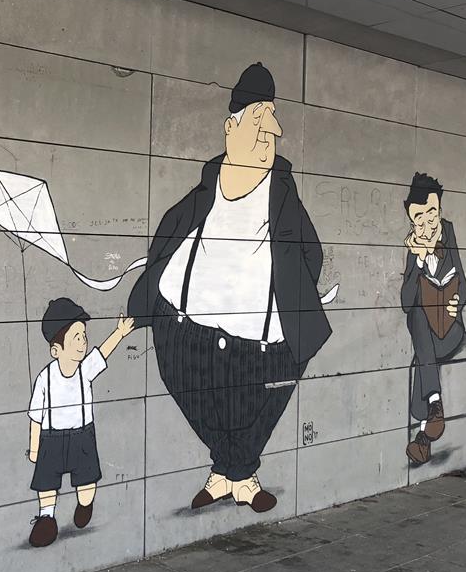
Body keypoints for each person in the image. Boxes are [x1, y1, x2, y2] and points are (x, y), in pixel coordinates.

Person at [128, 62, 331, 513]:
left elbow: (311, 254)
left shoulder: (282, 196)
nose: (268, 137)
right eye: (258, 125)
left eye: (271, 129)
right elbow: (168, 237)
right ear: (230, 127)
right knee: (192, 393)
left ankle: (232, 475)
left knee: (258, 404)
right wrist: (144, 305)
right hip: (184, 329)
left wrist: (289, 296)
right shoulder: (205, 191)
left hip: (262, 343)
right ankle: (236, 476)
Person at [26, 298, 135, 547]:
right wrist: (34, 448)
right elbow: (36, 416)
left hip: (82, 436)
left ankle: (85, 505)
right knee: (46, 484)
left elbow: (103, 351)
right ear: (56, 349)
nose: (82, 342)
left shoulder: (85, 370)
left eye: (83, 336)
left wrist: (119, 333)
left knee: (87, 482)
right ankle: (46, 518)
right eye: (76, 337)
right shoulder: (45, 378)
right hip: (51, 439)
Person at [400, 173, 466, 465]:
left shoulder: (448, 234)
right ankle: (429, 425)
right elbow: (405, 302)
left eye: (433, 215)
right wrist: (417, 260)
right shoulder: (413, 248)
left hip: (450, 331)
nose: (428, 226)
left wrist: (455, 303)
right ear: (411, 220)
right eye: (420, 220)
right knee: (416, 313)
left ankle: (431, 409)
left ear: (439, 211)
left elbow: (464, 286)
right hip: (426, 331)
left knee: (422, 353)